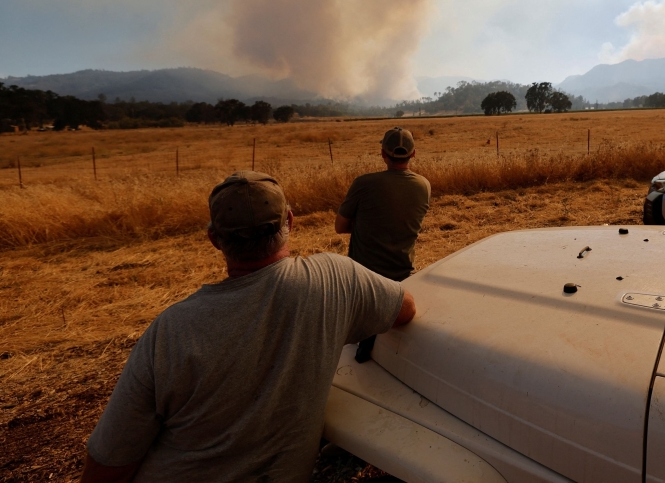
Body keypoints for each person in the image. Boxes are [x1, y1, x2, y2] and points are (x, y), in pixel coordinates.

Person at [80, 171, 416, 483]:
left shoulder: (172, 330)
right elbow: (405, 309)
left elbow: (111, 460)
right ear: (289, 221)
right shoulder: (336, 278)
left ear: (214, 238)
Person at [335, 127, 430, 362]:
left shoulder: (364, 183)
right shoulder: (423, 185)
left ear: (383, 154)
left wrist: (365, 223)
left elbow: (340, 226)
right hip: (403, 274)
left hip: (363, 278)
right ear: (414, 154)